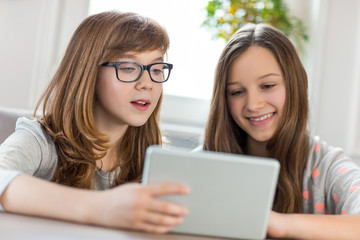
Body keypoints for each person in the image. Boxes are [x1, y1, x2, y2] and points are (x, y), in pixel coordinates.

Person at [0, 11, 190, 233]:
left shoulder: (156, 159)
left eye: (156, 69)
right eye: (128, 67)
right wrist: (104, 207)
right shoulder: (42, 142)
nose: (147, 83)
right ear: (88, 72)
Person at [203, 23, 360, 239]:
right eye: (237, 91)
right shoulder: (202, 167)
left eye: (267, 86)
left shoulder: (327, 166)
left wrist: (280, 224)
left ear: (295, 85)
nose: (253, 104)